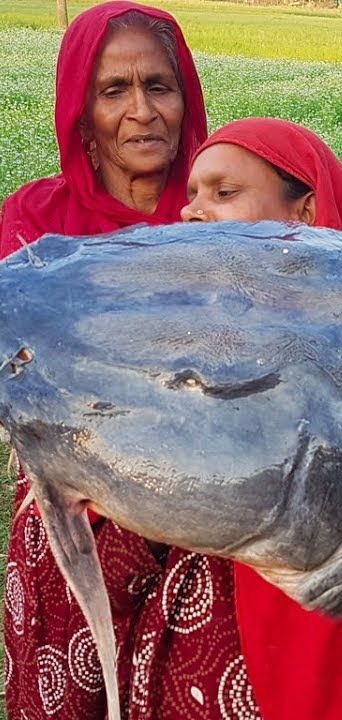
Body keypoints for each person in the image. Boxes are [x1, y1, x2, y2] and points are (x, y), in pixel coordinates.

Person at [120, 117, 342, 720]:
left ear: (305, 212)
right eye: (193, 194)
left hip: (316, 640)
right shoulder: (190, 332)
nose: (194, 211)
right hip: (199, 633)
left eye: (224, 192)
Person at [0, 4, 207, 716]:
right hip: (74, 514)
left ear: (186, 99)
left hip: (206, 517)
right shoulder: (36, 224)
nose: (142, 111)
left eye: (159, 86)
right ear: (81, 114)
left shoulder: (224, 210)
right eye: (114, 90)